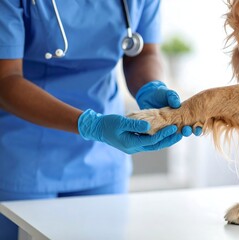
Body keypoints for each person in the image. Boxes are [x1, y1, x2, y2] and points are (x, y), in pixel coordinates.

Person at [0, 0, 202, 238]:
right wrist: (92, 125)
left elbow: (143, 53)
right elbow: (6, 80)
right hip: (24, 154)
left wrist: (150, 87)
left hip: (104, 159)